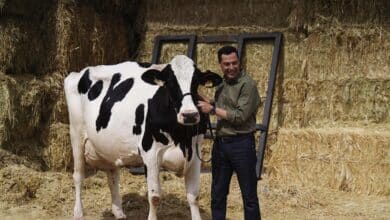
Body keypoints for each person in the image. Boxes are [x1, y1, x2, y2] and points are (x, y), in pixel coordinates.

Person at [197, 45, 261, 220]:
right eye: (226, 64)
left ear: (239, 62)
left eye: (234, 63)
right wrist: (199, 97)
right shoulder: (221, 84)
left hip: (242, 145)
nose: (231, 67)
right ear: (220, 65)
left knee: (249, 197)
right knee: (217, 195)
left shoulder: (247, 84)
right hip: (221, 146)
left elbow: (240, 117)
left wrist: (211, 109)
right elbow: (220, 106)